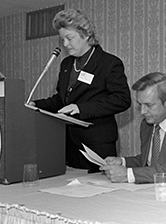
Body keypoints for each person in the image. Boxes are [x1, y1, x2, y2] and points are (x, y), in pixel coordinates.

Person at [30, 9, 131, 173]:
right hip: (68, 143)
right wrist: (36, 104)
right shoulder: (66, 64)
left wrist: (81, 108)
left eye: (69, 38)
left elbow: (122, 99)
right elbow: (61, 101)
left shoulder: (109, 63)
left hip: (97, 143)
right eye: (62, 39)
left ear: (86, 35)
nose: (65, 44)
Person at [100, 72, 166, 183]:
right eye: (140, 104)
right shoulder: (146, 125)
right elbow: (150, 160)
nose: (142, 111)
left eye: (149, 105)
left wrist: (128, 174)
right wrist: (123, 162)